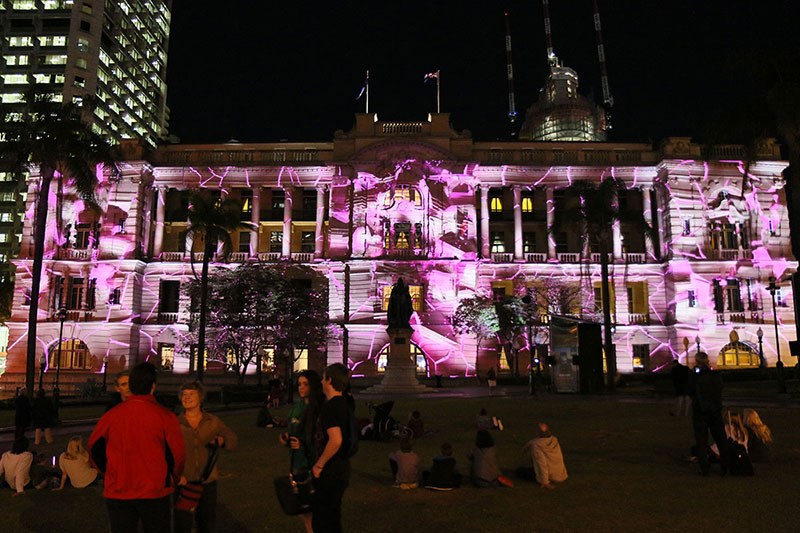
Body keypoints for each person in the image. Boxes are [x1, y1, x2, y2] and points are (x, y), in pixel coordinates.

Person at [88, 362, 185, 533]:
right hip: (155, 491)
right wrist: (173, 478)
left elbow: (94, 449)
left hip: (119, 490)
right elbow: (177, 454)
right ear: (152, 387)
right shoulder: (165, 416)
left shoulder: (111, 416)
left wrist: (108, 473)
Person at [175, 380, 238, 533]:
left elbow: (233, 440)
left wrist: (222, 441)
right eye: (184, 394)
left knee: (206, 524)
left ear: (200, 397)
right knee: (182, 525)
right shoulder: (176, 423)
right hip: (184, 482)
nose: (187, 397)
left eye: (191, 394)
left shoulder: (212, 422)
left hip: (207, 483)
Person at [280, 370, 324, 533]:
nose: (301, 388)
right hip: (296, 462)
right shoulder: (297, 407)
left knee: (311, 508)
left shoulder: (318, 409)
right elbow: (292, 430)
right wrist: (286, 439)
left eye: (305, 384)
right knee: (302, 509)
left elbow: (320, 439)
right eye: (299, 384)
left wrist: (304, 445)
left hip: (311, 463)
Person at [312, 363, 354, 533]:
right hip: (343, 467)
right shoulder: (346, 404)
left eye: (323, 378)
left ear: (329, 380)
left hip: (331, 469)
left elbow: (335, 440)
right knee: (333, 518)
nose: (321, 382)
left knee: (323, 521)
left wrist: (319, 464)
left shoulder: (330, 407)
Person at [688, 351, 728, 476]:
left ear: (697, 362)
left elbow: (690, 391)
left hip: (701, 412)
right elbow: (720, 389)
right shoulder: (716, 376)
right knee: (721, 439)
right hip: (715, 410)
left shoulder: (695, 377)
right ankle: (726, 466)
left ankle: (704, 468)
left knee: (701, 441)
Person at [520, 423, 568, 489]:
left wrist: (545, 482)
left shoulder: (536, 445)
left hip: (550, 476)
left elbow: (541, 464)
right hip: (561, 474)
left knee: (520, 471)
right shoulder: (554, 440)